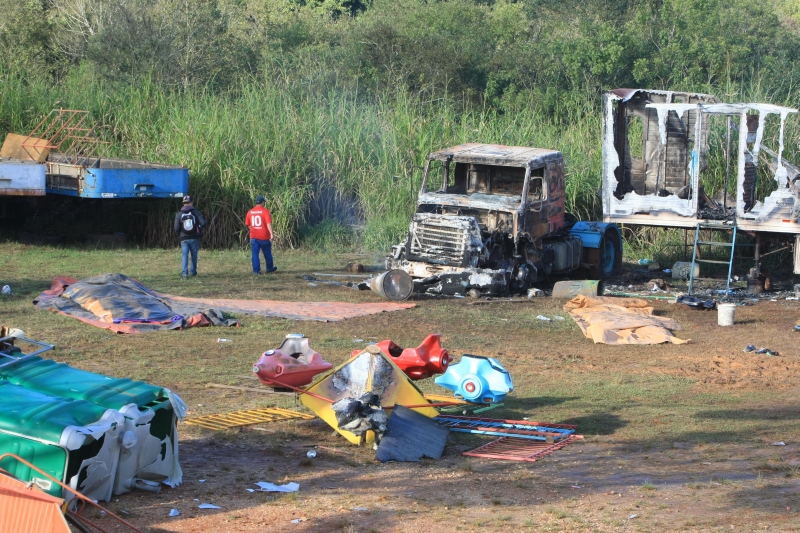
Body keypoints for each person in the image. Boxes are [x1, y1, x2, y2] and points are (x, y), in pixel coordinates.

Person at [174, 195, 206, 278]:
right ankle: (193, 271)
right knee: (194, 255)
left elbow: (176, 227)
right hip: (194, 237)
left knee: (185, 255)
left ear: (184, 203)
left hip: (183, 238)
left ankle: (184, 273)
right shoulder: (195, 212)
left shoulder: (179, 214)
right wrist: (198, 228)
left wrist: (180, 235)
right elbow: (203, 223)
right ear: (191, 203)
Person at [246, 195, 277, 274]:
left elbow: (248, 224)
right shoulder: (265, 211)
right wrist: (271, 234)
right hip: (264, 237)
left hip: (253, 237)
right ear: (262, 202)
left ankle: (256, 271)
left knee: (255, 254)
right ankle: (269, 268)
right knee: (267, 253)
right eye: (264, 202)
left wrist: (253, 230)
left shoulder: (250, 212)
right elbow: (268, 223)